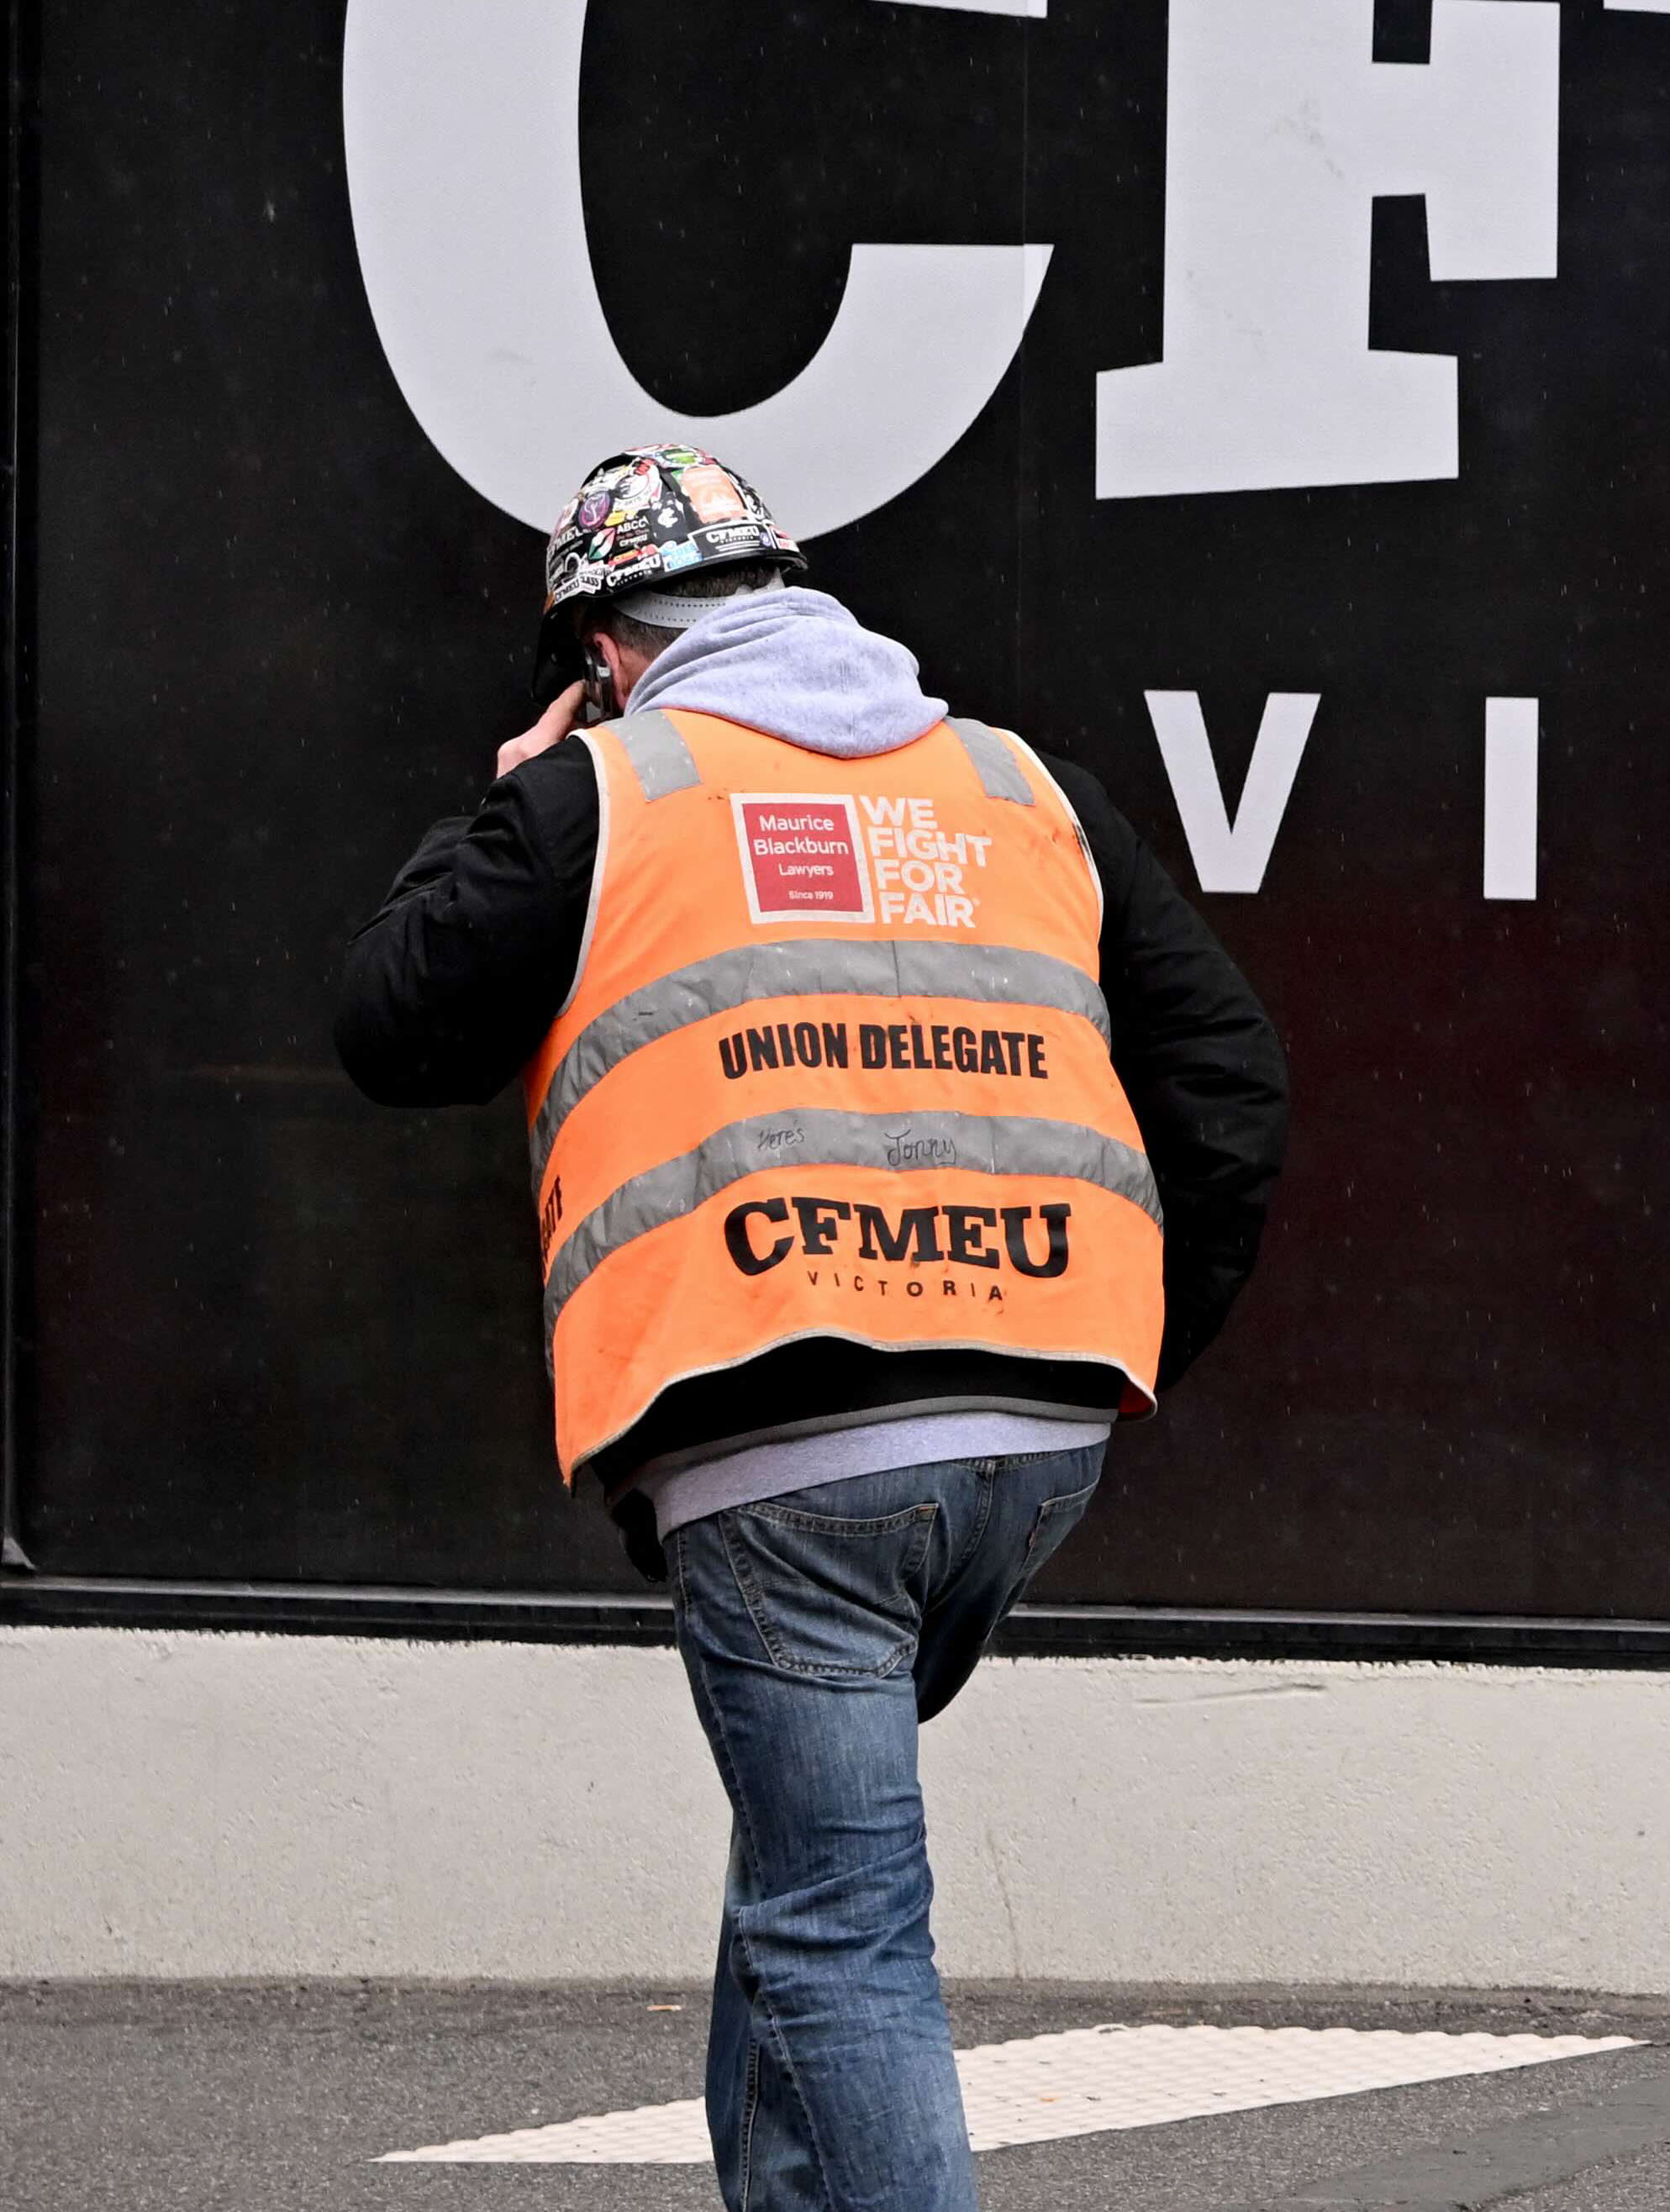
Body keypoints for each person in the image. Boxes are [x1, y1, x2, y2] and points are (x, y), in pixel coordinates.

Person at [334, 444, 1288, 2212]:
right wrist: (1106, 1346)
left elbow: (395, 1027)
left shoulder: (600, 796)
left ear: (605, 651)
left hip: (783, 1452)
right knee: (803, 1878)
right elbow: (1228, 1084)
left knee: (840, 1931)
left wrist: (504, 806)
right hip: (1028, 1437)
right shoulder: (1021, 788)